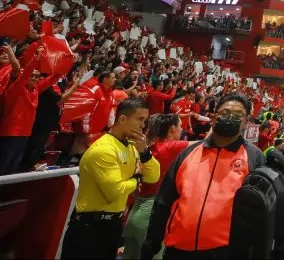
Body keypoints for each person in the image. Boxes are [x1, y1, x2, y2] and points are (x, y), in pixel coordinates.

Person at [141, 92, 264, 260]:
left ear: (246, 121)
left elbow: (258, 211)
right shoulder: (189, 152)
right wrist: (152, 240)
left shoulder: (254, 157)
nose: (230, 118)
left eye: (238, 115)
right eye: (225, 113)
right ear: (214, 116)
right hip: (178, 249)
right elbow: (164, 200)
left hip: (225, 252)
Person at [62, 97, 158, 260]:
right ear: (122, 119)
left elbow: (153, 176)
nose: (143, 126)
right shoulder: (104, 149)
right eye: (140, 119)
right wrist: (136, 180)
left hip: (113, 224)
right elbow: (115, 191)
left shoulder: (132, 146)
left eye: (145, 120)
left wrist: (144, 152)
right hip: (90, 227)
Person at [122, 113, 189, 260]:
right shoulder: (171, 147)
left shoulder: (146, 146)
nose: (182, 129)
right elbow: (207, 142)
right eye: (180, 126)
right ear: (172, 129)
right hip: (152, 212)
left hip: (135, 209)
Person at [0, 44, 62, 174]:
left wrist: (64, 64)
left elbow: (52, 79)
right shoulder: (16, 88)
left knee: (14, 168)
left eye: (37, 76)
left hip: (25, 134)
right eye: (32, 75)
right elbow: (25, 74)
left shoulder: (35, 90)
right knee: (3, 166)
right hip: (11, 133)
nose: (34, 78)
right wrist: (35, 59)